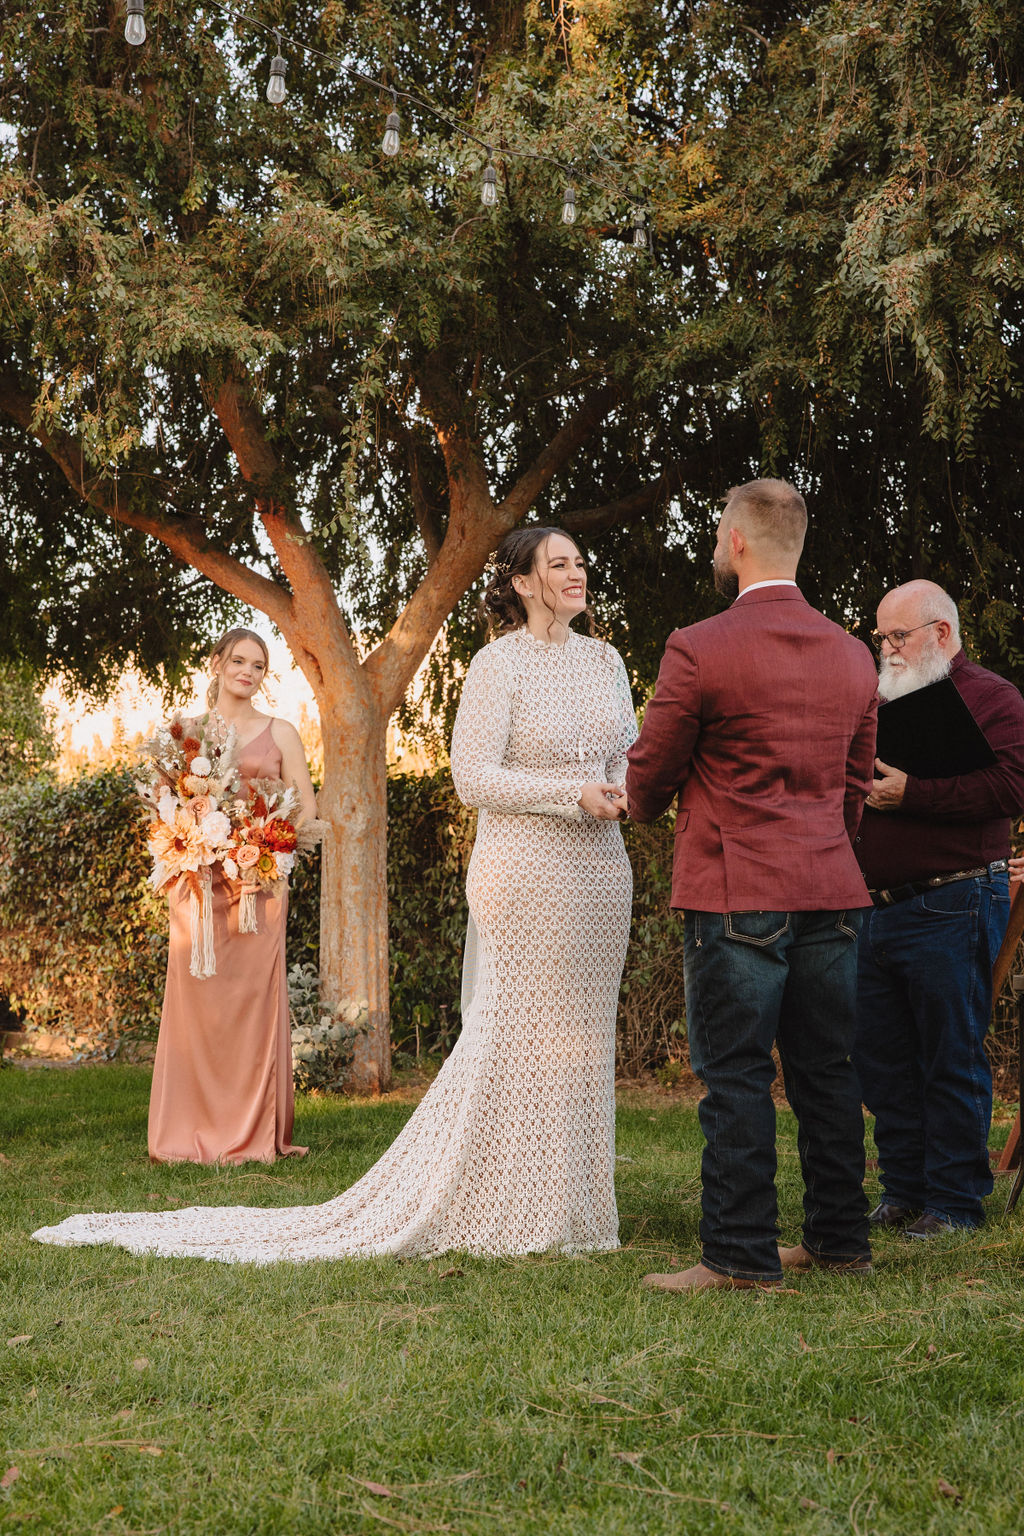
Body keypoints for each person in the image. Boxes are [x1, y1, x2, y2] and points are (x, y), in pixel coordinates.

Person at [32, 528, 638, 1262]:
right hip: (525, 875)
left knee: (580, 1042)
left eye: (581, 560)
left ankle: (575, 1208)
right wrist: (570, 794)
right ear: (522, 582)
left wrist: (630, 790)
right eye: (560, 564)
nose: (578, 572)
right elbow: (472, 778)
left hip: (601, 874)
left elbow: (628, 757)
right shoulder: (496, 666)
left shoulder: (607, 662)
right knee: (515, 1033)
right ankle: (504, 1198)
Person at [625, 479, 878, 1292]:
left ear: (736, 541)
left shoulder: (700, 646)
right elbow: (855, 785)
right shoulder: (852, 652)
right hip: (832, 885)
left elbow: (648, 778)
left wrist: (647, 802)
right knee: (827, 1069)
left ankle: (738, 1255)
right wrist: (828, 846)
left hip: (738, 888)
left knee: (736, 1074)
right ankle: (840, 1241)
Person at [852, 580, 1024, 1236]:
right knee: (884, 1059)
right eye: (881, 638)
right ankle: (903, 1189)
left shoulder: (991, 698)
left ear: (941, 634)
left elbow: (1012, 786)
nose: (887, 648)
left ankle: (954, 1203)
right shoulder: (880, 701)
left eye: (898, 636)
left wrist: (914, 793)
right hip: (874, 905)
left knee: (949, 1054)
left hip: (951, 900)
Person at [147, 627, 319, 1165]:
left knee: (251, 1005)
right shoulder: (185, 731)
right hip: (198, 886)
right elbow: (163, 805)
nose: (248, 672)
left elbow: (307, 812)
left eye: (259, 665)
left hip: (257, 886)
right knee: (198, 1007)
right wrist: (193, 840)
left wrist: (263, 840)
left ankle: (249, 1132)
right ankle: (188, 1129)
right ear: (218, 663)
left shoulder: (282, 732)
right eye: (239, 660)